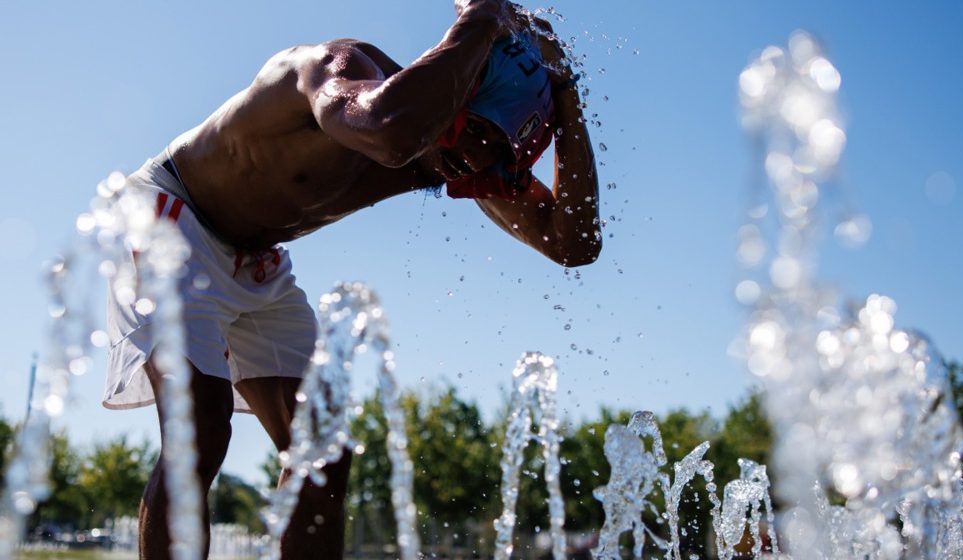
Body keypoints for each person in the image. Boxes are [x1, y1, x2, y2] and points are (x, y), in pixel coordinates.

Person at [103, 0, 600, 558]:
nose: (474, 173)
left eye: (496, 163)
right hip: (176, 216)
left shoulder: (448, 153)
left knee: (323, 455)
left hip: (259, 260)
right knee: (202, 429)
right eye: (473, 147)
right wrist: (484, 15)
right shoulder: (343, 70)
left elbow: (573, 243)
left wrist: (566, 90)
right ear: (454, 103)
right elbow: (387, 130)